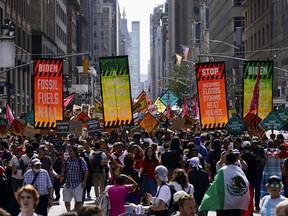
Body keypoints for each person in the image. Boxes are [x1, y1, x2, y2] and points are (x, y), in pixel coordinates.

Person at [61, 145, 89, 212]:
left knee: (78, 202)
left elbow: (86, 171)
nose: (69, 152)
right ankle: (69, 213)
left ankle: (79, 213)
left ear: (75, 152)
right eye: (69, 151)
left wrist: (84, 181)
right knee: (66, 201)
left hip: (77, 184)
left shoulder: (80, 160)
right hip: (68, 184)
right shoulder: (67, 160)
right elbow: (65, 170)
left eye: (71, 151)